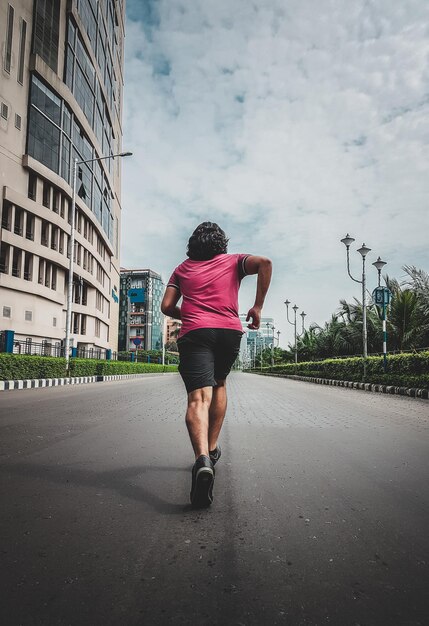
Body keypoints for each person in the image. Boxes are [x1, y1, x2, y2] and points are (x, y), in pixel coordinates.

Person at [161, 222, 272, 508]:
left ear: (193, 243)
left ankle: (202, 460)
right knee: (220, 382)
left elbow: (166, 306)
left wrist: (187, 314)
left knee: (198, 398)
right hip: (228, 331)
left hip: (196, 332)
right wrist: (257, 306)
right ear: (221, 243)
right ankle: (211, 448)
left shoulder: (182, 269)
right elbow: (265, 263)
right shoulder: (234, 262)